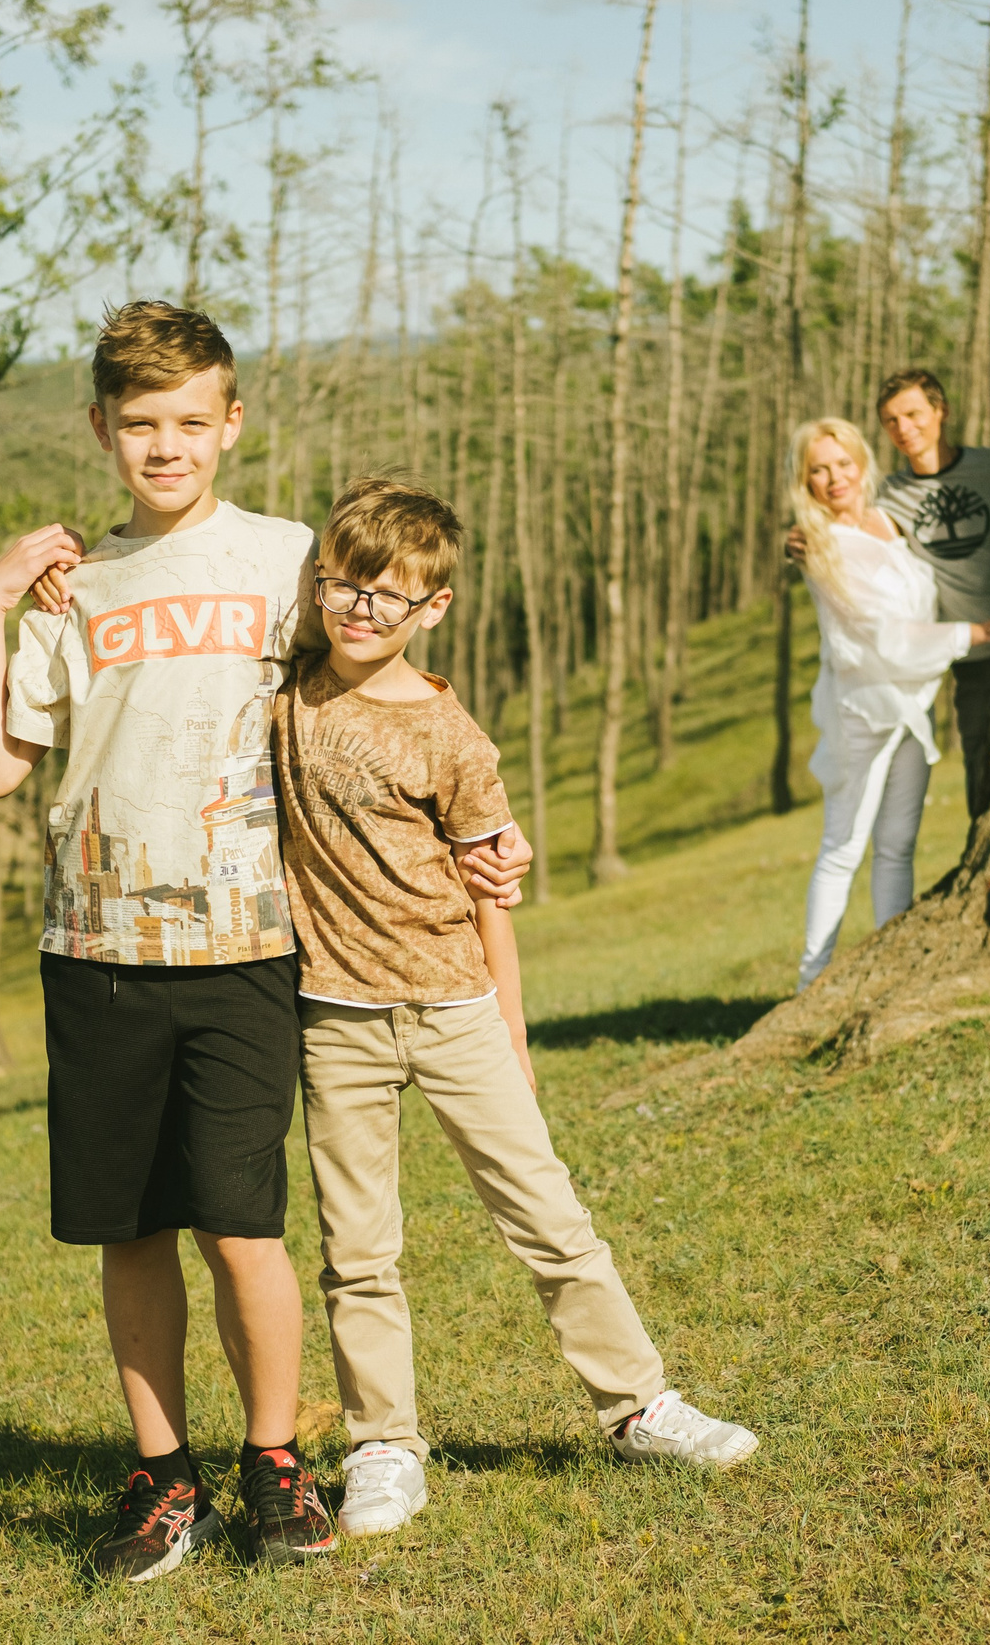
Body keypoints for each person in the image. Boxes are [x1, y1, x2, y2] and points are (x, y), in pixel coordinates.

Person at [0, 301, 530, 1583]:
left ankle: (274, 1466)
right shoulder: (77, 587)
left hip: (251, 950)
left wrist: (480, 824)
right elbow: (1, 768)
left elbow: (392, 678)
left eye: (189, 423)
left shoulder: (289, 561)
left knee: (241, 1226)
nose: (165, 448)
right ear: (102, 429)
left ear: (231, 423)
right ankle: (165, 1482)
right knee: (130, 1230)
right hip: (97, 951)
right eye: (140, 426)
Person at [273, 476, 759, 1540]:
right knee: (358, 1250)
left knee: (548, 1220)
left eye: (384, 596)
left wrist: (513, 1034)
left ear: (432, 609)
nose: (358, 609)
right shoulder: (284, 691)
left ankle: (638, 1404)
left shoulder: (455, 738)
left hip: (455, 1011)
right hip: (333, 1017)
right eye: (341, 586)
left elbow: (493, 893)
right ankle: (383, 1445)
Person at [789, 417, 990, 990]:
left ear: (862, 464)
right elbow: (882, 634)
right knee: (844, 843)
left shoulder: (888, 521)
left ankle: (890, 969)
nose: (834, 478)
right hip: (866, 708)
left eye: (842, 464)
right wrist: (970, 636)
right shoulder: (819, 542)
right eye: (818, 470)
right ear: (804, 481)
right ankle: (811, 982)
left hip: (912, 702)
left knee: (898, 842)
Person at [791, 370, 990, 823]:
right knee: (983, 771)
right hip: (972, 661)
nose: (903, 429)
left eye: (912, 414)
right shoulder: (890, 497)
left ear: (940, 412)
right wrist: (799, 539)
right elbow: (849, 533)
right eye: (890, 421)